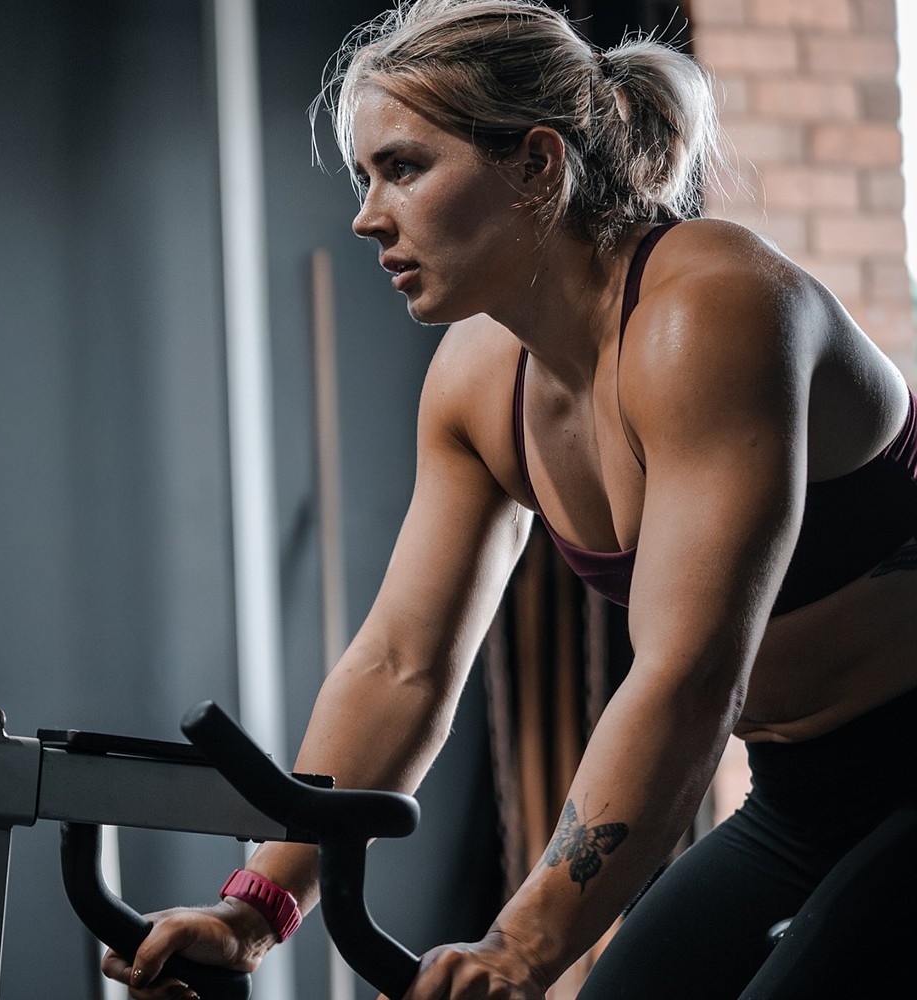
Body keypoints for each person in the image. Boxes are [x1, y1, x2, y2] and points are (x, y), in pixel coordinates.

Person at [104, 1, 917, 997]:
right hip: (799, 800)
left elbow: (689, 677)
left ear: (537, 165)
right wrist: (255, 910)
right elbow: (401, 666)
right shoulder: (479, 381)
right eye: (367, 178)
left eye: (403, 167)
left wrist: (524, 944)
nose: (367, 215)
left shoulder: (711, 311)